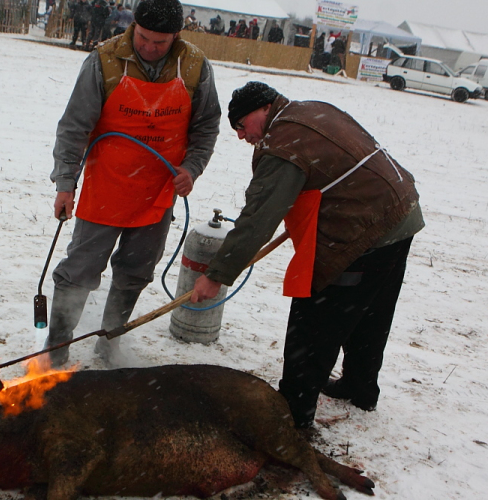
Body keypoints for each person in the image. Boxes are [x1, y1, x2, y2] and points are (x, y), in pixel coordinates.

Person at [191, 81, 424, 429]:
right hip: (400, 214)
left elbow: (258, 218)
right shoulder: (309, 110)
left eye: (241, 125)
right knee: (370, 311)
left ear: (265, 108)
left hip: (363, 230)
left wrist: (216, 275)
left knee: (314, 321)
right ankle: (360, 387)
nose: (241, 136)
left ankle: (292, 415)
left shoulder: (284, 144)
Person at [48, 0, 222, 367]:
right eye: (143, 37)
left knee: (135, 273)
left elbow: (206, 126)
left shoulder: (194, 67)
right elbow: (73, 127)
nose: (150, 47)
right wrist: (66, 183)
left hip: (157, 195)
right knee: (78, 274)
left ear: (176, 36)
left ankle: (110, 341)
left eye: (160, 42)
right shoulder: (104, 60)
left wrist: (192, 167)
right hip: (106, 189)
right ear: (134, 27)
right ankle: (55, 349)